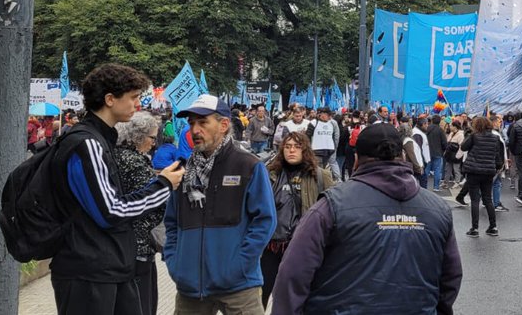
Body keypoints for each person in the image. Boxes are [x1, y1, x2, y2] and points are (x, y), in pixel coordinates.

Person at [270, 123, 462, 314]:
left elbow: (293, 275)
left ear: (356, 159)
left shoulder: (330, 206)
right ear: (402, 156)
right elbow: (450, 277)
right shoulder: (438, 209)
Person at [51, 64, 184, 315]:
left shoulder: (101, 139)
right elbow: (111, 210)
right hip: (88, 271)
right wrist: (164, 184)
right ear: (110, 99)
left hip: (107, 267)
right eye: (133, 97)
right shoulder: (87, 143)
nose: (138, 104)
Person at [164, 95, 276, 314]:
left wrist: (240, 264)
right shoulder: (183, 170)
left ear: (224, 125)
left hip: (239, 286)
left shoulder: (248, 165)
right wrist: (176, 264)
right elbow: (171, 222)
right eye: (192, 123)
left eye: (203, 122)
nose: (195, 129)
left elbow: (265, 221)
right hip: (191, 287)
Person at [261, 131, 334, 308]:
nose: (291, 150)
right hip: (271, 246)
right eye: (287, 147)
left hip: (302, 248)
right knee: (260, 295)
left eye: (297, 146)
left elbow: (333, 209)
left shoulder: (320, 176)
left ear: (305, 149)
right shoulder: (270, 174)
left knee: (297, 297)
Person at [112, 112, 165, 315]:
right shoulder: (135, 162)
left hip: (122, 247)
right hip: (139, 248)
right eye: (152, 137)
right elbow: (152, 204)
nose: (154, 143)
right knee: (143, 305)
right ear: (138, 136)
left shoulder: (116, 155)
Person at [460, 116, 505, 237]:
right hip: (488, 171)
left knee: (475, 200)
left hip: (473, 171)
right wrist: (498, 166)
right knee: (488, 199)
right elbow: (497, 155)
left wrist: (469, 134)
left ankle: (474, 228)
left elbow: (463, 147)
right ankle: (493, 226)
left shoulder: (474, 136)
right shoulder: (495, 138)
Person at [308, 107, 341, 180]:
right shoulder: (314, 122)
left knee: (324, 167)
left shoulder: (332, 123)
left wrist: (334, 147)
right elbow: (308, 135)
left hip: (329, 150)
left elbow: (335, 136)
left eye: (329, 115)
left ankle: (328, 180)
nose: (329, 117)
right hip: (317, 150)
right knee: (318, 168)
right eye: (327, 115)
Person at [426, 114, 448, 191]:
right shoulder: (440, 130)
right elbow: (444, 143)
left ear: (432, 120)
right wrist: (444, 150)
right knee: (437, 170)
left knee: (427, 169)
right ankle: (436, 187)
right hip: (438, 152)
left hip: (427, 152)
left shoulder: (427, 128)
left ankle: (424, 186)